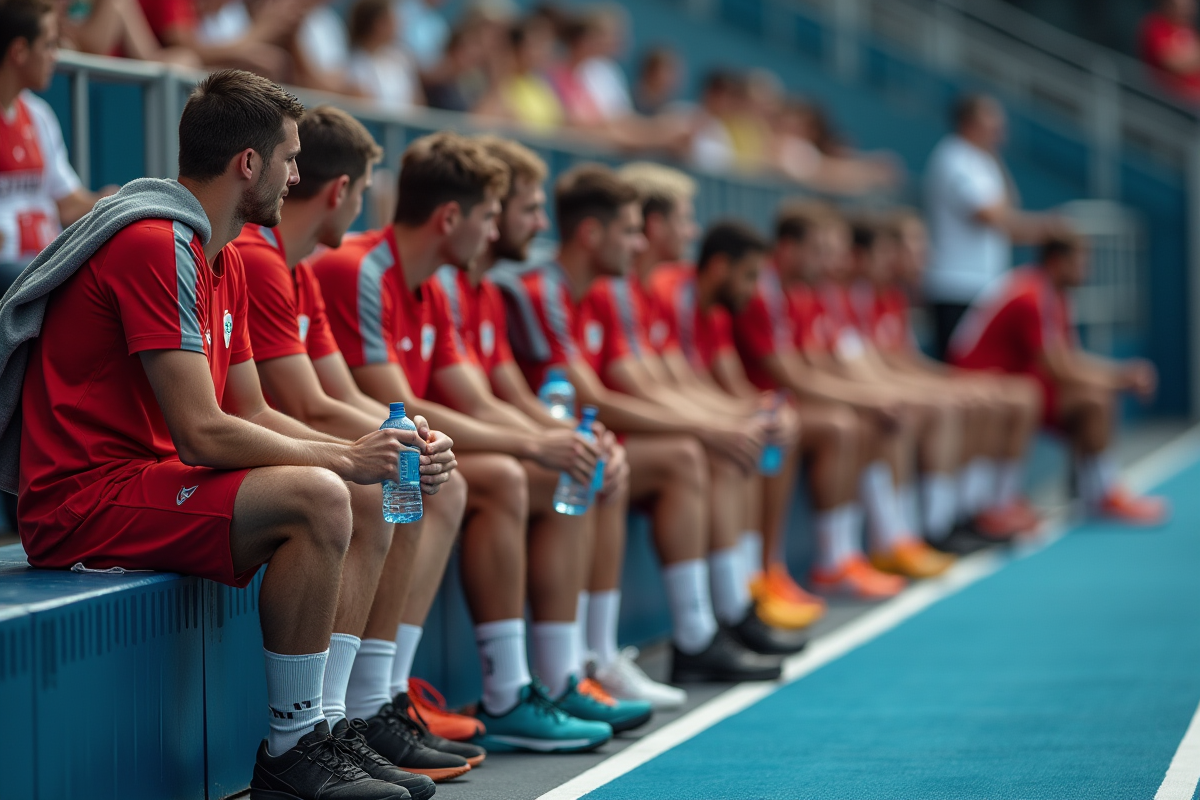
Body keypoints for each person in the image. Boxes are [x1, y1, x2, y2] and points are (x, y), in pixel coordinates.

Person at [4, 68, 459, 800]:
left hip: (148, 482)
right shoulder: (157, 245)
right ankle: (291, 750)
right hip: (84, 502)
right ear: (250, 163)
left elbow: (250, 412)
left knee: (370, 497)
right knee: (322, 495)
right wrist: (343, 457)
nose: (298, 175)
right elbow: (203, 435)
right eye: (291, 158)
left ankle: (329, 730)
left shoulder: (224, 256)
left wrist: (383, 446)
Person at [311, 131, 617, 753]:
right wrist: (537, 444)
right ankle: (385, 702)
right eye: (493, 214)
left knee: (548, 467)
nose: (505, 227)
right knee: (469, 478)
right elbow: (398, 406)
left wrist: (555, 438)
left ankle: (548, 676)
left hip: (383, 441)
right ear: (453, 218)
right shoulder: (359, 268)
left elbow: (475, 397)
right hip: (341, 446)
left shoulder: (441, 286)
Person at [232, 104, 484, 785]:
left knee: (411, 472)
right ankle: (333, 725)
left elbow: (333, 394)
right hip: (251, 458)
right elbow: (305, 404)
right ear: (340, 190)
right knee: (378, 490)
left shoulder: (303, 268)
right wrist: (369, 450)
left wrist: (408, 436)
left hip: (277, 450)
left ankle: (361, 712)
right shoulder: (259, 259)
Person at [492, 163, 785, 683]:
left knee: (680, 453)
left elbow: (654, 382)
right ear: (592, 233)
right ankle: (597, 661)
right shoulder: (551, 290)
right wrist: (714, 425)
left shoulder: (606, 291)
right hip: (539, 446)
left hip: (566, 439)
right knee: (665, 456)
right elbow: (596, 395)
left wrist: (731, 419)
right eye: (631, 230)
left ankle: (691, 627)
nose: (639, 242)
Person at [463, 135, 683, 710]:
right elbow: (417, 400)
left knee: (596, 460)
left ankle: (587, 664)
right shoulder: (534, 289)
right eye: (525, 211)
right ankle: (534, 685)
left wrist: (570, 438)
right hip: (453, 456)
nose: (539, 226)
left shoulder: (486, 290)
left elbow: (507, 393)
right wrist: (551, 440)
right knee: (581, 467)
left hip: (483, 443)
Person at [732, 203, 933, 597]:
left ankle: (862, 550)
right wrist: (867, 398)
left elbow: (819, 365)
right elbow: (792, 375)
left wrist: (871, 397)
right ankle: (784, 570)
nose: (832, 260)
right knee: (842, 424)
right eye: (822, 250)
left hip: (782, 407)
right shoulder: (767, 291)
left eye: (835, 250)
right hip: (767, 409)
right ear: (788, 250)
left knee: (865, 418)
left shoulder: (807, 292)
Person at [949, 230, 1168, 526]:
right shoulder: (1031, 296)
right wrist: (1122, 378)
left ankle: (1100, 492)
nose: (1086, 268)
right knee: (1087, 395)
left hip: (1015, 380)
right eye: (1080, 260)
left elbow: (1068, 358)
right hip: (979, 381)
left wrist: (1118, 375)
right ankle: (1000, 502)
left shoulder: (1054, 295)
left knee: (1093, 397)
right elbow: (1058, 369)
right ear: (1057, 261)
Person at [866, 209, 1043, 549]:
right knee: (948, 406)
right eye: (914, 247)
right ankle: (930, 528)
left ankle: (980, 509)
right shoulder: (865, 298)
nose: (924, 256)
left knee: (986, 396)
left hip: (890, 387)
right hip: (873, 397)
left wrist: (951, 382)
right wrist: (943, 387)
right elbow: (883, 367)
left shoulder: (893, 298)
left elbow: (905, 361)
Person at [923, 94, 1058, 359]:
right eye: (991, 116)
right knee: (959, 371)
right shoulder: (954, 156)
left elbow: (1010, 208)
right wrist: (1046, 227)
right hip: (956, 287)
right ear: (968, 122)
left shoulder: (983, 160)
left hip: (983, 288)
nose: (1000, 125)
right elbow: (993, 216)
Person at [0, 0, 112, 293]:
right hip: (14, 273)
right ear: (19, 51)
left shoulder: (39, 115)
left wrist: (113, 201)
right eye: (49, 45)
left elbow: (68, 203)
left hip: (46, 265)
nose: (56, 56)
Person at [345, 0, 424, 111]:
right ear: (378, 24)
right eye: (393, 19)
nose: (399, 24)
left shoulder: (402, 57)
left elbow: (418, 105)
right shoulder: (354, 63)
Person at [1140, 0, 1200, 103]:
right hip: (1169, 101)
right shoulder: (1156, 25)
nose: (1187, 10)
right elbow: (1171, 62)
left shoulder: (1189, 29)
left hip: (1194, 99)